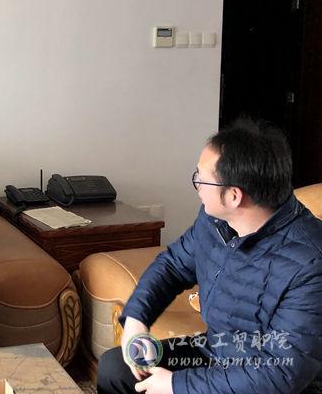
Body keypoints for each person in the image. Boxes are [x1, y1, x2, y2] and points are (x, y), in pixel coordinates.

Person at [97, 118, 322, 394]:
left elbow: (281, 374)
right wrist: (136, 318)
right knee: (116, 369)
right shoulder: (215, 221)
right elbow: (173, 266)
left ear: (234, 196)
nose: (198, 188)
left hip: (273, 380)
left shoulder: (311, 262)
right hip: (218, 353)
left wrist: (175, 384)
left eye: (201, 180)